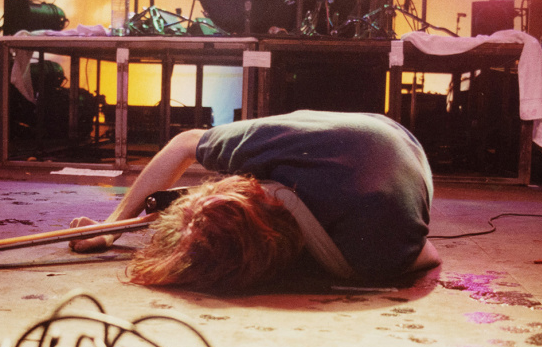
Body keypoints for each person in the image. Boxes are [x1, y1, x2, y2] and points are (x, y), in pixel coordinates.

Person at [70, 110, 441, 292]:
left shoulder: (368, 255)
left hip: (395, 137)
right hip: (342, 136)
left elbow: (430, 254)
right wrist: (110, 228)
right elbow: (184, 143)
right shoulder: (267, 145)